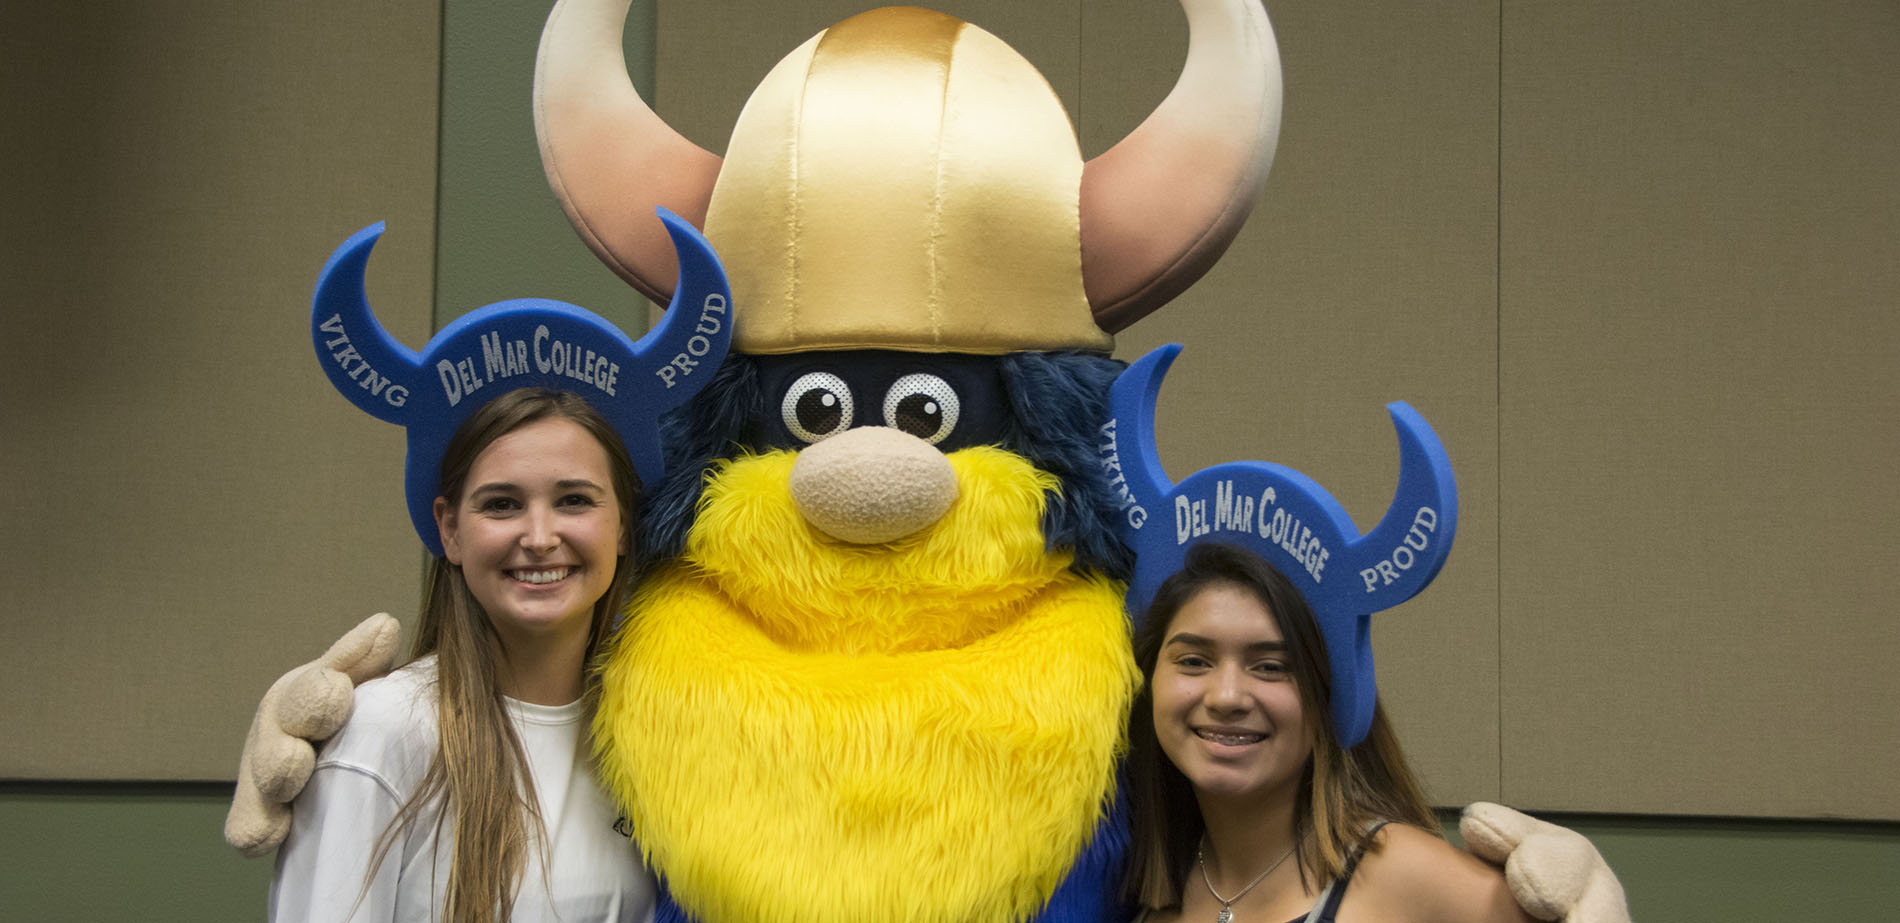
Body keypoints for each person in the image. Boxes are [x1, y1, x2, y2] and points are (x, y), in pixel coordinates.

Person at [269, 387, 654, 923]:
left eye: (574, 500)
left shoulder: (656, 734)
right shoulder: (383, 732)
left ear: (621, 527)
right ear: (451, 531)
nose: (540, 537)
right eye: (502, 504)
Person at [1124, 542, 1531, 923]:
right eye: (1193, 661)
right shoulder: (1129, 886)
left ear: (1328, 696)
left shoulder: (1405, 873)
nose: (1227, 697)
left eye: (1271, 666)